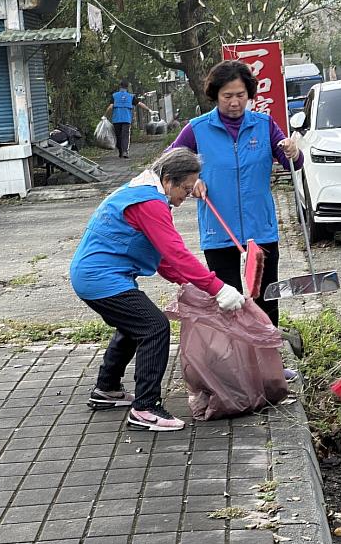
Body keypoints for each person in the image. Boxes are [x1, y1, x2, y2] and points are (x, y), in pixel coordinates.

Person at [70, 149, 245, 432]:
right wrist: (217, 287)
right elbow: (176, 253)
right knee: (154, 327)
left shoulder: (143, 192)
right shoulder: (149, 203)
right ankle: (145, 408)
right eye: (186, 189)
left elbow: (163, 257)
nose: (186, 196)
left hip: (96, 275)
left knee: (133, 326)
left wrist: (190, 283)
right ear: (168, 180)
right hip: (100, 278)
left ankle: (107, 389)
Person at [168, 60, 303, 327]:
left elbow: (293, 163)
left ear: (250, 94)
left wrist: (292, 150)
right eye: (227, 96)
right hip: (218, 231)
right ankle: (235, 363)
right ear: (215, 95)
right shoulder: (196, 129)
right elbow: (168, 162)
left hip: (260, 231)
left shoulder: (264, 125)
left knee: (266, 300)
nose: (234, 102)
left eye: (240, 95)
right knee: (228, 302)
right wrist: (191, 182)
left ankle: (268, 363)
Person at [105, 80, 154, 159]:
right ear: (127, 87)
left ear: (120, 86)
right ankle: (124, 151)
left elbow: (110, 107)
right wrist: (149, 110)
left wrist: (105, 116)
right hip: (126, 119)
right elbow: (140, 104)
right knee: (125, 136)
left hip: (116, 119)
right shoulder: (131, 96)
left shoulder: (114, 96)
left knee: (117, 136)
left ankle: (121, 151)